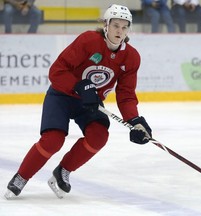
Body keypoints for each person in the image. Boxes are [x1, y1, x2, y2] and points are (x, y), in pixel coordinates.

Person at [4, 4, 152, 199]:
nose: (120, 31)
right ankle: (21, 177)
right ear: (106, 25)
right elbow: (56, 71)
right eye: (116, 25)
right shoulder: (89, 41)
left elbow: (125, 94)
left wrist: (134, 120)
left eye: (125, 27)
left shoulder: (131, 57)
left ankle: (63, 171)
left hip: (90, 103)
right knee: (53, 141)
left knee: (99, 136)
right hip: (62, 96)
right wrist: (80, 86)